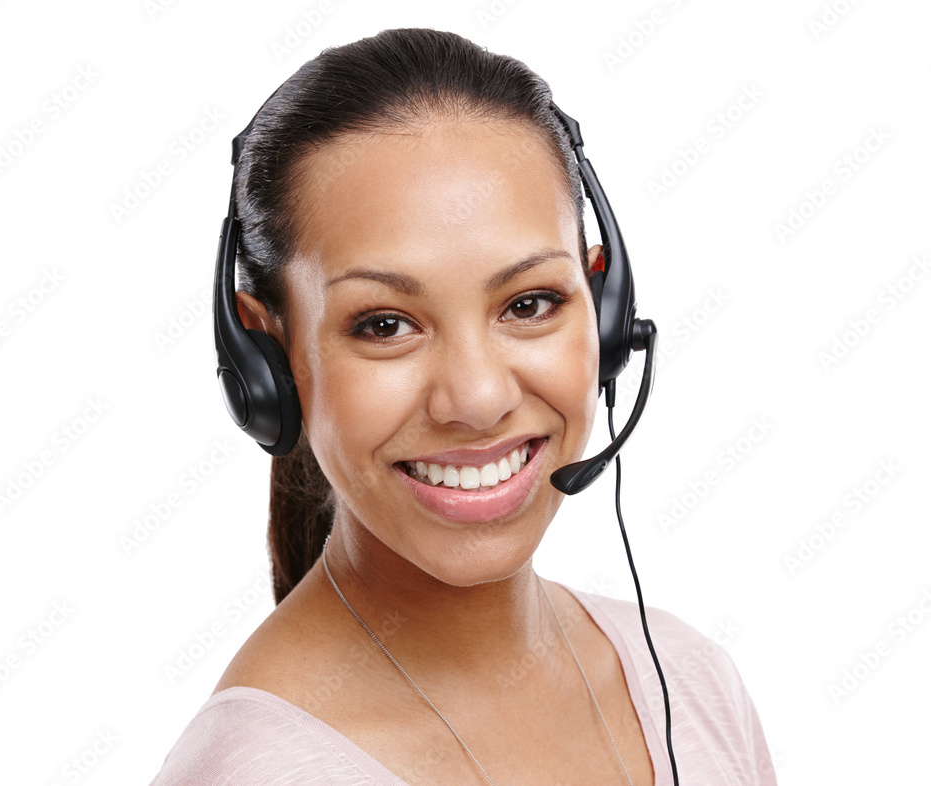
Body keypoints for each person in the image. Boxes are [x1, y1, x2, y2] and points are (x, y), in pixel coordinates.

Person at [149, 27, 776, 785]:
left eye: (530, 302)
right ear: (268, 360)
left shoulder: (688, 679)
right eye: (385, 325)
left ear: (605, 310)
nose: (477, 399)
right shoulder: (257, 772)